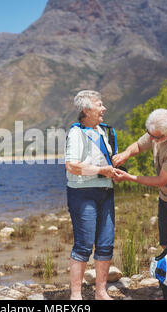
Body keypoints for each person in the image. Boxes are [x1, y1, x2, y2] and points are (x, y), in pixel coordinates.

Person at [112, 109, 167, 300]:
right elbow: (139, 144)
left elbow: (161, 180)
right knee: (165, 243)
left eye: (155, 137)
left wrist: (129, 177)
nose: (151, 138)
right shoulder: (156, 131)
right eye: (149, 134)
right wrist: (126, 154)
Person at [65, 90, 123, 300]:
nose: (104, 108)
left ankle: (101, 292)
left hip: (105, 192)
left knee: (106, 243)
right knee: (83, 244)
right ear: (86, 110)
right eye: (99, 105)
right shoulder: (76, 133)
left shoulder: (102, 131)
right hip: (82, 194)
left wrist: (113, 168)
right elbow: (71, 166)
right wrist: (101, 170)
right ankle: (76, 295)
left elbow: (101, 161)